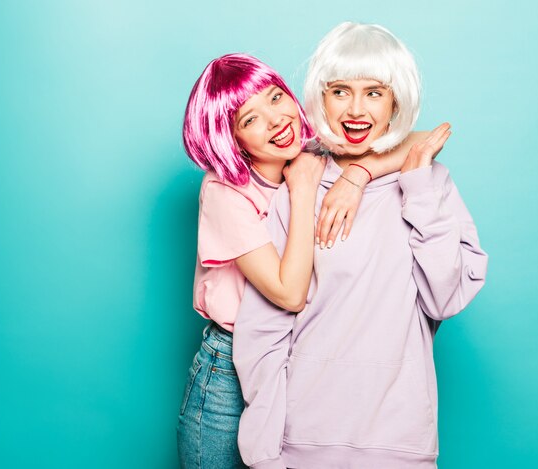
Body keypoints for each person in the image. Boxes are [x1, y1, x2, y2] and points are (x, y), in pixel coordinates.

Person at [233, 23, 489, 469]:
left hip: (400, 440)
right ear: (320, 98)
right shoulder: (299, 186)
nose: (355, 109)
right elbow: (264, 333)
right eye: (339, 91)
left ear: (395, 102)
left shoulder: (431, 183)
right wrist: (263, 454)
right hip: (305, 438)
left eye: (374, 92)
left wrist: (410, 183)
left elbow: (444, 299)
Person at [177, 53, 427, 468]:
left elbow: (425, 139)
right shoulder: (225, 193)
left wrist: (357, 174)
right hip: (228, 376)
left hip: (293, 356)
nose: (275, 120)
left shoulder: (312, 149)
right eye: (250, 119)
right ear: (231, 139)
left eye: (276, 98)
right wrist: (304, 188)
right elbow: (290, 293)